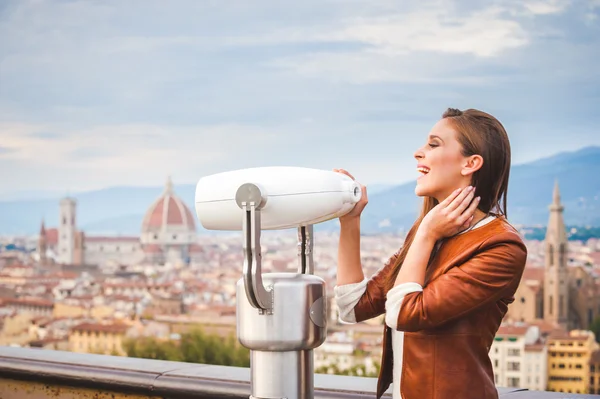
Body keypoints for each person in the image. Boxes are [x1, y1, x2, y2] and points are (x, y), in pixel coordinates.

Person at [333, 108, 527, 399]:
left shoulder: (500, 246)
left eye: (433, 144)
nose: (417, 153)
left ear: (470, 163)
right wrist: (350, 220)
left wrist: (426, 233)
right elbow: (353, 307)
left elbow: (404, 314)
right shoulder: (428, 233)